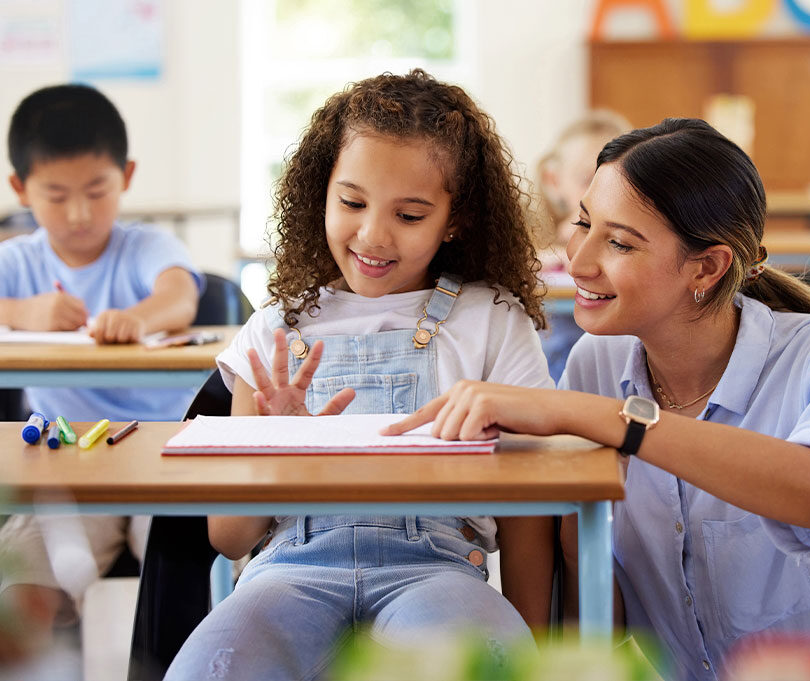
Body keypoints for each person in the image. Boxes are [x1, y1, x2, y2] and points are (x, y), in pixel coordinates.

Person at [385, 118, 810, 679]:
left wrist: (601, 418)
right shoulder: (597, 363)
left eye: (619, 243)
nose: (580, 262)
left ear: (706, 268)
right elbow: (593, 603)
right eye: (583, 223)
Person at [164, 70, 553, 681]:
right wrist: (275, 449)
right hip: (289, 574)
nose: (373, 234)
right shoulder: (273, 330)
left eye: (410, 214)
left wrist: (539, 650)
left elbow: (532, 513)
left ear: (455, 219)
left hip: (437, 571)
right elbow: (230, 538)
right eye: (351, 203)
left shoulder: (494, 321)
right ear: (320, 193)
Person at [0, 84, 202, 657]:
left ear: (127, 176)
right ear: (20, 189)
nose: (80, 213)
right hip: (69, 469)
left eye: (97, 190)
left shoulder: (144, 246)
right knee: (24, 591)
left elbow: (181, 294)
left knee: (186, 567)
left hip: (166, 461)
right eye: (56, 195)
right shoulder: (16, 262)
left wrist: (137, 319)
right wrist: (22, 311)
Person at [535, 110, 630, 382]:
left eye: (618, 182)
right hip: (550, 374)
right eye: (588, 180)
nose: (602, 193)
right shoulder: (538, 238)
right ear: (554, 180)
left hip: (611, 371)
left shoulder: (633, 239)